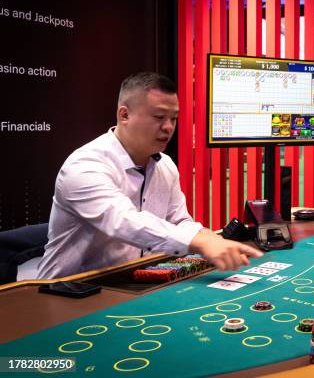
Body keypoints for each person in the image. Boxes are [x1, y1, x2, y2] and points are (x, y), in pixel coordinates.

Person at [37, 72, 261, 279]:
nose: (168, 127)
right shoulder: (84, 166)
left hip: (130, 283)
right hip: (68, 289)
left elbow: (179, 220)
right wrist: (198, 242)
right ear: (124, 115)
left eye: (174, 118)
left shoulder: (165, 165)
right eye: (159, 116)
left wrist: (209, 237)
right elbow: (124, 221)